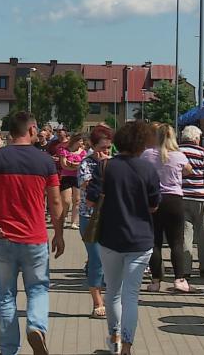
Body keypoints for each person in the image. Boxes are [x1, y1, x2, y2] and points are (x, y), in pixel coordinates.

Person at [0, 112, 65, 355]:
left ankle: (9, 349)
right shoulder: (46, 161)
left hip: (3, 237)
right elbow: (56, 202)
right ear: (31, 130)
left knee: (5, 296)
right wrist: (59, 233)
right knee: (38, 289)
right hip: (35, 238)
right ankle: (36, 326)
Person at [86, 121, 161, 355]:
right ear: (142, 144)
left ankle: (115, 339)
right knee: (131, 295)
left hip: (110, 238)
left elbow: (90, 200)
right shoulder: (148, 169)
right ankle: (127, 345)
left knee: (113, 292)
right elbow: (154, 206)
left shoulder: (105, 166)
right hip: (140, 239)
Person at [141, 123, 193, 293]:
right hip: (174, 200)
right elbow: (189, 170)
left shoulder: (147, 154)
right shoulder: (179, 155)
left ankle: (156, 280)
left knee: (154, 241)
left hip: (153, 199)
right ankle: (179, 279)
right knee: (176, 241)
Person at [78, 125, 114, 319]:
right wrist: (101, 168)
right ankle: (97, 302)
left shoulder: (114, 162)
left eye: (109, 147)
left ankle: (110, 297)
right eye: (102, 148)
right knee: (96, 259)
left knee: (111, 259)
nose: (106, 152)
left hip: (110, 215)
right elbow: (86, 185)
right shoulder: (86, 163)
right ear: (92, 146)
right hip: (89, 216)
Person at [179, 125, 204, 278]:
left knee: (185, 234)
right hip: (200, 197)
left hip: (181, 197)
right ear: (196, 138)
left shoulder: (176, 151)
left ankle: (185, 269)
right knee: (203, 233)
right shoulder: (203, 152)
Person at [59, 134, 87, 229]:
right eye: (80, 141)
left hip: (77, 177)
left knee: (77, 200)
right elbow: (64, 165)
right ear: (75, 141)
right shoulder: (65, 151)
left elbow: (82, 164)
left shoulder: (83, 152)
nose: (82, 143)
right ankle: (64, 217)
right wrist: (75, 167)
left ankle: (73, 222)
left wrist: (72, 164)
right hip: (66, 176)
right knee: (66, 200)